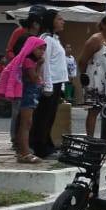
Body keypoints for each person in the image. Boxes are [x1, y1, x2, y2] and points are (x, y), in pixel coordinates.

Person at [0, 35, 47, 162]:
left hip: (28, 95)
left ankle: (22, 151)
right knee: (26, 123)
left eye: (43, 49)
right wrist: (39, 65)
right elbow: (34, 78)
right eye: (40, 49)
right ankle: (25, 152)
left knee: (25, 123)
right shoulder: (29, 61)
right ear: (32, 48)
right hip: (28, 95)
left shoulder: (29, 60)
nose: (42, 52)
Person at [77, 15, 106, 143]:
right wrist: (85, 78)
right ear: (103, 25)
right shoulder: (95, 39)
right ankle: (90, 140)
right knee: (94, 111)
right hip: (96, 83)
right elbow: (82, 61)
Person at [30, 9, 69, 157]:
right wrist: (47, 85)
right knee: (43, 116)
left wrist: (62, 85)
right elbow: (44, 64)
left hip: (57, 82)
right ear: (50, 21)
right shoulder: (46, 39)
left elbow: (59, 63)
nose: (62, 21)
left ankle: (47, 143)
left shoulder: (55, 39)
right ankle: (40, 146)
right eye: (59, 19)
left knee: (50, 116)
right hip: (49, 83)